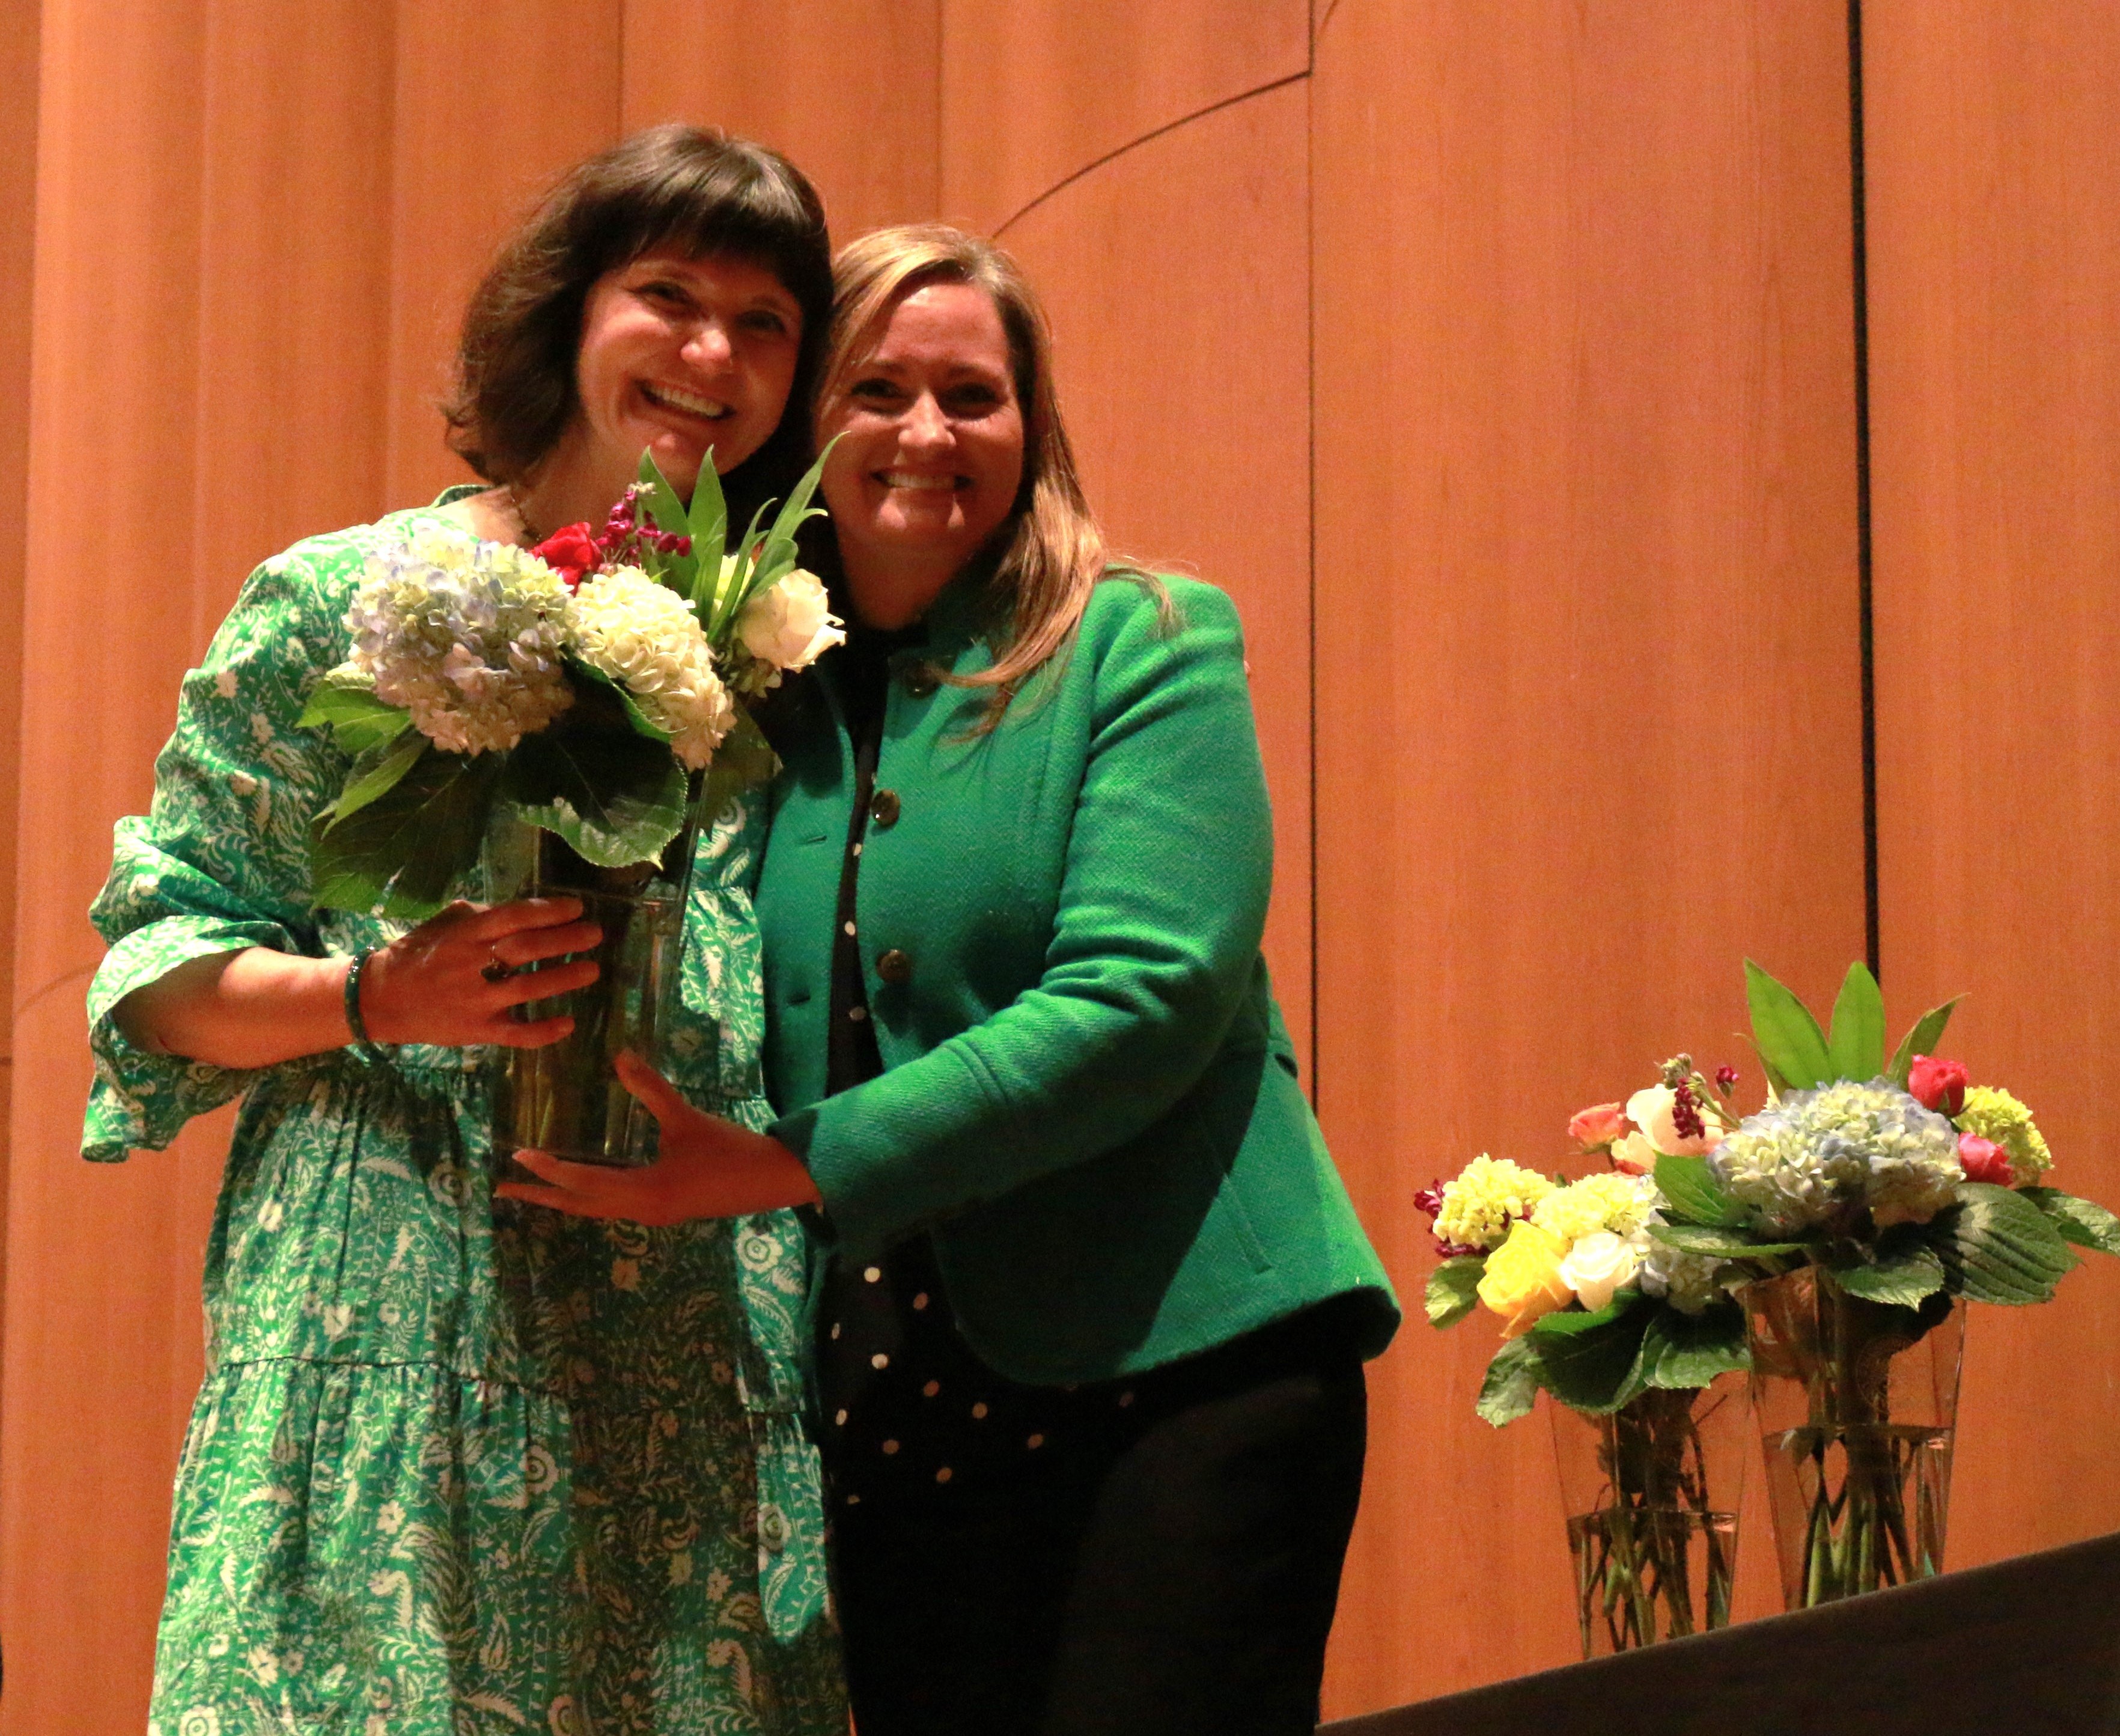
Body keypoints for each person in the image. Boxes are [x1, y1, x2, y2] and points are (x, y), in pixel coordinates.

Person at [502, 224, 1401, 1736]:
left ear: (1031, 429)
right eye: (879, 389)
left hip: (1181, 1377)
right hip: (893, 1420)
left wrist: (788, 1168)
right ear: (809, 428)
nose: (928, 434)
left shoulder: (1148, 640)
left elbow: (1143, 1000)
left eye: (973, 395)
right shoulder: (741, 705)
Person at [86, 126, 845, 1734]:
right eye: (668, 294)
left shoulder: (774, 655)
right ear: (574, 313)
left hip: (670, 1350)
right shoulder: (348, 601)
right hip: (387, 1342)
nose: (713, 353)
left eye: (765, 321)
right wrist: (379, 989)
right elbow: (155, 971)